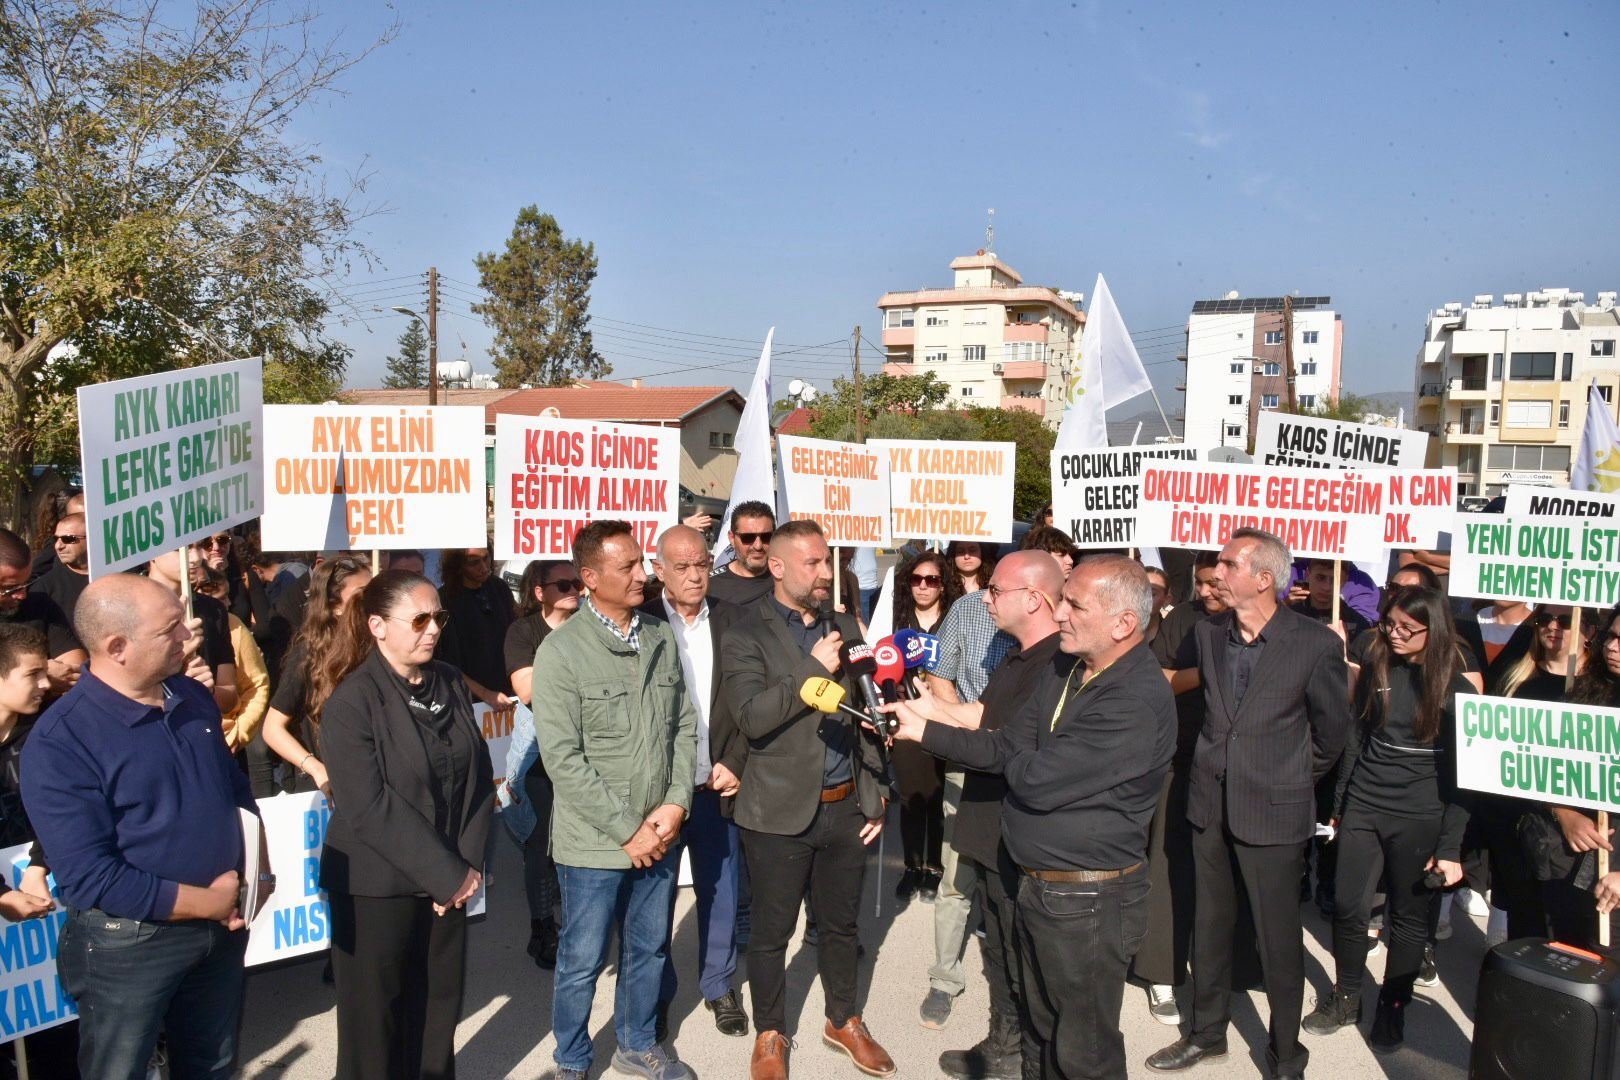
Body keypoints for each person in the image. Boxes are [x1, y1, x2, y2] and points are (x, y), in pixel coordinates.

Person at [890, 553, 1176, 1079]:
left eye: (1075, 605)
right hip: (1043, 884)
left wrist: (1014, 752)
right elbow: (1005, 744)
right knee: (1044, 1030)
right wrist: (923, 729)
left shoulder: (1133, 697)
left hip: (1088, 899)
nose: (1059, 612)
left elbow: (1035, 778)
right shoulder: (1071, 669)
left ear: (1122, 624)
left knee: (1084, 1050)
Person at [22, 574, 265, 1080]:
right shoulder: (60, 741)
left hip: (220, 927)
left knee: (212, 1066)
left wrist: (251, 877)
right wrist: (209, 902)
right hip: (128, 946)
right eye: (170, 628)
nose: (187, 636)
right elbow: (89, 875)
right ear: (117, 647)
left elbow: (233, 790)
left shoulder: (192, 697)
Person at [1148, 528, 1349, 1080]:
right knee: (1209, 927)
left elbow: (1332, 734)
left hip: (1275, 810)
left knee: (1277, 937)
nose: (1216, 573)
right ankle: (1206, 1034)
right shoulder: (1209, 633)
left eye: (1228, 564)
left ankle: (1286, 1055)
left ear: (1263, 578)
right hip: (1208, 803)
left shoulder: (1314, 643)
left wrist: (1285, 778)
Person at [723, 519, 893, 1080]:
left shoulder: (844, 624)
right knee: (772, 932)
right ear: (777, 567)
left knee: (841, 927)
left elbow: (870, 714)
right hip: (776, 812)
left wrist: (877, 791)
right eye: (813, 563)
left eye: (827, 561)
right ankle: (771, 1032)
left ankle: (843, 1019)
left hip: (845, 806)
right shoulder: (745, 632)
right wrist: (812, 669)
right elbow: (751, 718)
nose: (825, 572)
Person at [532, 520, 697, 1080]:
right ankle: (572, 1060)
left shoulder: (658, 635)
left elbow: (683, 726)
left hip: (660, 830)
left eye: (640, 562)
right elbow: (562, 759)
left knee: (648, 949)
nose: (642, 574)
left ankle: (636, 1044)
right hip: (595, 843)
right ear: (589, 577)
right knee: (581, 960)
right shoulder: (561, 652)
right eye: (627, 566)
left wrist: (675, 804)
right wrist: (629, 830)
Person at [317, 569, 494, 1080]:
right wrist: (445, 875)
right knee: (375, 1027)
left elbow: (479, 778)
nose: (433, 628)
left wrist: (463, 868)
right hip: (376, 888)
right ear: (377, 626)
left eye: (438, 617)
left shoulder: (450, 680)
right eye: (418, 620)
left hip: (450, 881)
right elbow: (368, 806)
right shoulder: (352, 701)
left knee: (437, 1012)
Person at [899, 550, 1067, 1080]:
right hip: (989, 825)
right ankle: (1003, 1047)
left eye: (996, 590)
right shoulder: (1019, 656)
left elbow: (1002, 745)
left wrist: (927, 730)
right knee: (999, 949)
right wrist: (929, 708)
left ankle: (1027, 1058)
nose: (984, 598)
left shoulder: (1057, 664)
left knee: (1021, 955)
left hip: (1022, 834)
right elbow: (983, 714)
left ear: (1033, 599)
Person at [1302, 585, 1473, 1054]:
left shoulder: (1457, 689)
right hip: (1364, 806)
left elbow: (1465, 781)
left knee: (1409, 918)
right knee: (1348, 907)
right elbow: (1357, 739)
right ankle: (1347, 996)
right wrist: (1340, 806)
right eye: (1388, 624)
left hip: (1421, 816)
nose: (1394, 634)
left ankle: (1393, 1006)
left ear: (1433, 630)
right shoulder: (1379, 666)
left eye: (1406, 628)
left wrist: (1450, 846)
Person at [645, 525, 751, 1039]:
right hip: (657, 792)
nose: (694, 575)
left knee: (722, 891)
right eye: (681, 566)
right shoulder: (640, 622)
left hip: (716, 784)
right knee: (653, 901)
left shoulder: (736, 620)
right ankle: (656, 993)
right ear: (658, 569)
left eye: (702, 564)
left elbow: (753, 699)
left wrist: (737, 759)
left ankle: (718, 985)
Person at [919, 541, 1018, 1031]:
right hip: (971, 754)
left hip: (1025, 763)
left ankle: (1018, 979)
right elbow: (940, 674)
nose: (991, 598)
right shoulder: (966, 608)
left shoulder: (1052, 625)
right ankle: (944, 978)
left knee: (1013, 876)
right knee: (957, 874)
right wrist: (968, 726)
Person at [1137, 552, 1227, 1026]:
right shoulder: (1183, 619)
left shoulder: (1268, 623)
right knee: (1168, 864)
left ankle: (1227, 971)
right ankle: (1162, 974)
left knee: (1222, 875)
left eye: (1214, 583)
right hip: (1180, 756)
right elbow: (1161, 678)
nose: (1206, 592)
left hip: (1238, 769)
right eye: (1200, 582)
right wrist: (1211, 674)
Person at [501, 559, 581, 970]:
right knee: (540, 841)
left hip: (585, 752)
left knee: (579, 840)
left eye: (577, 582)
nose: (574, 590)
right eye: (562, 585)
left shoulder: (590, 625)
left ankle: (580, 922)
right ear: (539, 592)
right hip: (540, 755)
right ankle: (542, 928)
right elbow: (528, 690)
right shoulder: (524, 631)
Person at [260, 555, 373, 798]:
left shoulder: (380, 645)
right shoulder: (308, 653)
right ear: (335, 606)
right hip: (324, 790)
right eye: (362, 594)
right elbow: (272, 728)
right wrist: (316, 769)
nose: (373, 600)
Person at [1547, 605, 1620, 947]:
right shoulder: (1587, 694)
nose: (1612, 647)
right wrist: (1564, 814)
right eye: (1611, 637)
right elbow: (1541, 769)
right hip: (1575, 870)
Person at [892, 549, 958, 905]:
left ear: (942, 585)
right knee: (910, 797)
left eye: (931, 579)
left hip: (943, 719)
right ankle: (912, 866)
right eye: (916, 579)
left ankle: (934, 867)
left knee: (935, 797)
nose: (923, 586)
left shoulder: (954, 620)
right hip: (905, 717)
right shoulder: (896, 621)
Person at [147, 546, 238, 716]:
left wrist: (207, 690)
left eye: (198, 546)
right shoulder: (127, 608)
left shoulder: (213, 610)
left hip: (202, 723)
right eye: (179, 548)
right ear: (152, 554)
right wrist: (178, 654)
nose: (196, 558)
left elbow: (229, 698)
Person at [0, 527, 84, 698]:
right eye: (10, 589)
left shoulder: (38, 604)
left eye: (26, 584)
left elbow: (74, 668)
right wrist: (42, 672)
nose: (22, 595)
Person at [196, 566, 271, 759]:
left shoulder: (234, 626)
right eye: (222, 598)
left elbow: (256, 684)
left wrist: (239, 733)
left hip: (227, 743)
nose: (229, 603)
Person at [435, 544, 517, 710]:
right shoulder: (444, 600)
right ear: (458, 566)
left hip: (507, 692)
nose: (484, 567)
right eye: (474, 563)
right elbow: (447, 663)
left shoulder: (499, 588)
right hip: (468, 701)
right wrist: (485, 694)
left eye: (486, 558)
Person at [709, 501, 777, 608]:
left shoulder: (786, 577)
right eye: (748, 538)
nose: (758, 546)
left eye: (766, 537)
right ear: (732, 538)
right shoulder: (710, 585)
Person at [30, 511, 90, 623]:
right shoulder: (44, 588)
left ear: (91, 539)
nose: (58, 546)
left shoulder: (116, 576)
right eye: (56, 539)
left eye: (68, 539)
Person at [1289, 560, 1371, 641]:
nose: (1326, 587)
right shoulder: (1289, 616)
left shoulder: (1357, 625)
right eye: (1320, 578)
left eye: (1334, 580)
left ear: (1345, 580)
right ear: (1307, 575)